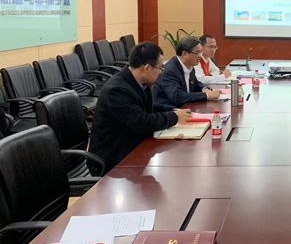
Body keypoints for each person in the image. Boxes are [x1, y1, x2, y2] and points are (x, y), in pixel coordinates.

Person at [88, 42, 192, 173]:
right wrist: (174, 117)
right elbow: (141, 122)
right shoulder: (117, 90)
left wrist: (171, 110)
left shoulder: (138, 82)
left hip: (130, 144)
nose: (161, 72)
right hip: (112, 158)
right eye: (160, 68)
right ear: (147, 68)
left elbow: (146, 107)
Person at [153, 36, 220, 108]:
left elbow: (196, 83)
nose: (200, 56)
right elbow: (177, 96)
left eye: (201, 52)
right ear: (184, 54)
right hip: (169, 110)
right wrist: (207, 95)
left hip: (185, 107)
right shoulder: (170, 70)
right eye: (197, 52)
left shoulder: (190, 66)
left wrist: (205, 89)